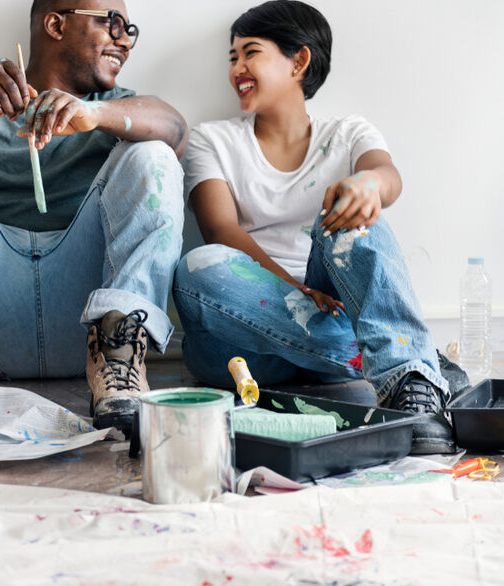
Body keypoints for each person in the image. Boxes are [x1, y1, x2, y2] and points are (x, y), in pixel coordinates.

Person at [0, 0, 187, 436]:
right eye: (113, 23)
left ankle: (121, 363)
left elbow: (175, 129)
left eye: (129, 29)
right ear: (56, 24)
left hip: (86, 331)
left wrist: (94, 115)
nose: (125, 40)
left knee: (153, 154)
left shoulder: (117, 107)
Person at [174, 0, 455, 454]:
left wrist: (368, 185)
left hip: (332, 307)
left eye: (250, 52)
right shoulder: (212, 139)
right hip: (240, 344)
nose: (237, 69)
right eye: (232, 57)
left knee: (351, 214)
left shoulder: (349, 133)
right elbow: (221, 229)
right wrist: (297, 290)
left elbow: (388, 176)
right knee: (198, 266)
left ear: (299, 61)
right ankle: (410, 362)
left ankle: (407, 372)